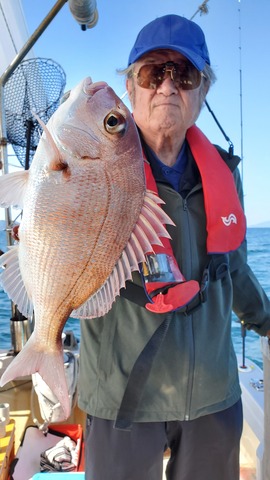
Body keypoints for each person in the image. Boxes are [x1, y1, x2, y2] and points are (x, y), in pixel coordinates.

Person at [78, 14, 270, 480]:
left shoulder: (225, 172)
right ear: (131, 86)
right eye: (152, 72)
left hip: (212, 394)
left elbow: (236, 266)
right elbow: (70, 252)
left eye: (184, 75)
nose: (167, 86)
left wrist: (265, 321)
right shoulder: (94, 166)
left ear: (203, 90)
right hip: (122, 395)